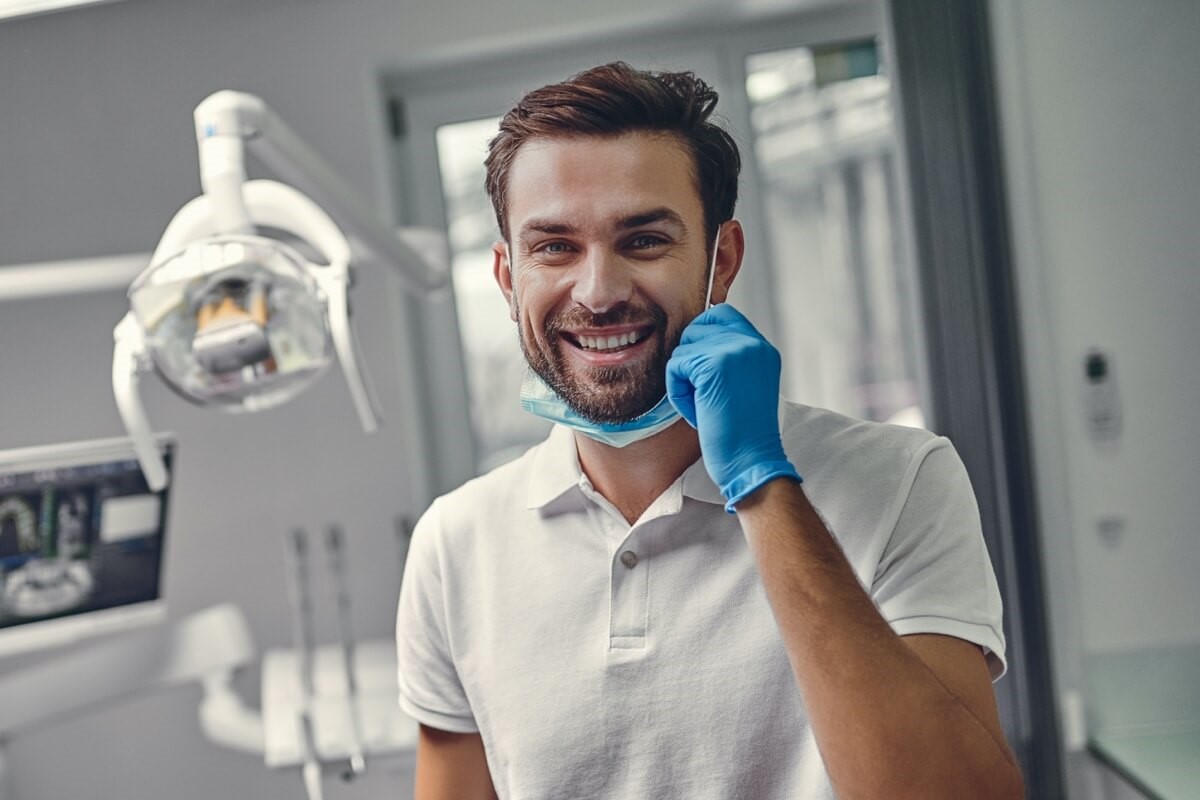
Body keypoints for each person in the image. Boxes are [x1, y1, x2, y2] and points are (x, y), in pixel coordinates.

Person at [396, 62, 1024, 800]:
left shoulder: (903, 480)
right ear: (508, 279)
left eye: (644, 240)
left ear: (720, 260)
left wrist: (761, 482)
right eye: (555, 247)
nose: (598, 292)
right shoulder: (455, 543)